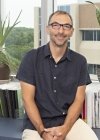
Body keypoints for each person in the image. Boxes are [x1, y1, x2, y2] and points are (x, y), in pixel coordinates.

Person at [16, 10, 94, 140]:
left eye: (66, 26)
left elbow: (79, 100)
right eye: (56, 25)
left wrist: (65, 129)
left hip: (69, 122)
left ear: (72, 31)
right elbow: (27, 100)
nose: (61, 31)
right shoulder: (31, 58)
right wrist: (42, 132)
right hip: (36, 125)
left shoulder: (80, 61)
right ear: (48, 29)